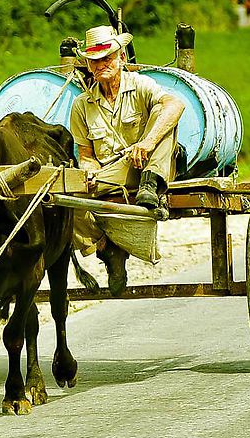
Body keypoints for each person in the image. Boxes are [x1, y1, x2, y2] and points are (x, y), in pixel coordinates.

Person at [69, 25, 185, 295]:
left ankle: (151, 185)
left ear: (121, 57)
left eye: (106, 58)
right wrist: (87, 170)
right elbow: (86, 155)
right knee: (61, 199)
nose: (101, 65)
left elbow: (176, 105)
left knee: (163, 113)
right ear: (87, 65)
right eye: (94, 61)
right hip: (114, 172)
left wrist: (146, 142)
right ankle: (106, 248)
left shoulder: (141, 85)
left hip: (149, 164)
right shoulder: (82, 105)